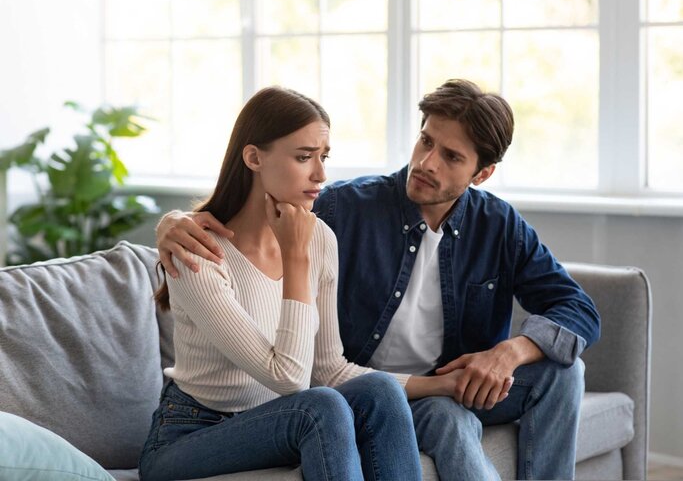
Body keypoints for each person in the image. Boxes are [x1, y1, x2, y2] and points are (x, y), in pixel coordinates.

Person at [155, 79, 600, 481]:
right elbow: (256, 210)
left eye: (451, 157)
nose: (427, 163)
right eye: (426, 141)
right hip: (363, 390)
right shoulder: (345, 209)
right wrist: (171, 223)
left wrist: (509, 352)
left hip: (445, 382)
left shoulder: (497, 225)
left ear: (481, 174)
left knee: (564, 372)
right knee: (424, 412)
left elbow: (579, 310)